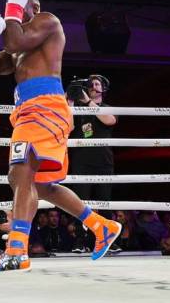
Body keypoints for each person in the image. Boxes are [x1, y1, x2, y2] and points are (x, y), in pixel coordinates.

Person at [0, 0, 122, 272]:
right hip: (29, 110)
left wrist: (15, 5)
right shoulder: (16, 40)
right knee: (40, 185)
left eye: (16, 3)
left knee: (19, 174)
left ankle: (16, 251)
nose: (9, 11)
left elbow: (16, 40)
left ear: (35, 6)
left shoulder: (46, 22)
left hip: (43, 109)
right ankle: (101, 226)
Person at [66, 74, 118, 252]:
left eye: (96, 84)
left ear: (103, 89)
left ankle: (109, 240)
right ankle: (81, 241)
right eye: (90, 84)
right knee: (80, 202)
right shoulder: (79, 108)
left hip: (104, 161)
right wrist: (70, 102)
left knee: (105, 202)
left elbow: (109, 120)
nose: (92, 86)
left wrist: (88, 102)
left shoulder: (106, 108)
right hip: (81, 160)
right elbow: (69, 127)